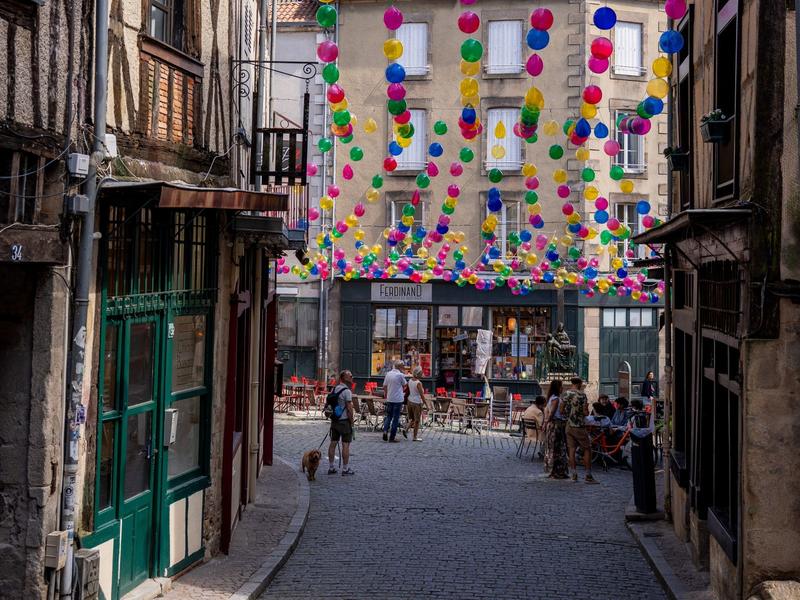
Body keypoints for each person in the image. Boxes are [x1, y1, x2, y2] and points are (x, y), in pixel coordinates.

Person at [559, 377, 599, 484]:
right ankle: (588, 476)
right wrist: (584, 410)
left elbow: (561, 410)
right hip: (579, 426)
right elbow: (586, 412)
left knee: (571, 450)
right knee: (587, 449)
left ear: (572, 383)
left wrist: (569, 414)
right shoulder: (582, 395)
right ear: (580, 383)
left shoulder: (565, 394)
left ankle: (574, 475)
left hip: (569, 425)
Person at [327, 370, 355, 476]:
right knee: (345, 444)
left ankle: (331, 467)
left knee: (333, 443)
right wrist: (352, 422)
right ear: (344, 378)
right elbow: (349, 409)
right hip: (344, 421)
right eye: (350, 376)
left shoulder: (335, 388)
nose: (352, 377)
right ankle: (345, 469)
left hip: (335, 421)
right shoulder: (347, 391)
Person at [543, 380, 569, 479]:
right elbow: (552, 412)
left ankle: (553, 470)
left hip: (552, 424)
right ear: (557, 388)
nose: (562, 388)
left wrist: (546, 423)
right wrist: (547, 422)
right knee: (557, 448)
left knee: (553, 447)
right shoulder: (556, 399)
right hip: (556, 425)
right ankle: (557, 471)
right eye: (561, 386)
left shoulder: (551, 398)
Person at [382, 360, 406, 442]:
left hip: (390, 398)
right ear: (400, 367)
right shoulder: (400, 375)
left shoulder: (388, 374)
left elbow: (384, 386)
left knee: (389, 416)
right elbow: (405, 385)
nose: (404, 367)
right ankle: (392, 437)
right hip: (398, 399)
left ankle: (385, 431)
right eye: (403, 366)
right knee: (395, 418)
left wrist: (387, 394)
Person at [404, 367, 425, 442]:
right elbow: (422, 395)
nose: (422, 374)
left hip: (410, 401)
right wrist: (426, 404)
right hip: (416, 402)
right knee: (417, 420)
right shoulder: (418, 383)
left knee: (413, 419)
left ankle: (406, 430)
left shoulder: (410, 380)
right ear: (418, 374)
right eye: (421, 373)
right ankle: (415, 437)